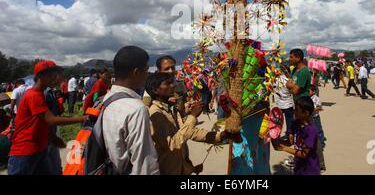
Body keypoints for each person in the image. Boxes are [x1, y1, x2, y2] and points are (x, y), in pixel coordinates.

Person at [8, 60, 87, 175]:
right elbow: (51, 119)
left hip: (39, 148)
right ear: (40, 76)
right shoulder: (34, 95)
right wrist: (82, 118)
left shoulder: (39, 93)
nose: (56, 79)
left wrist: (52, 137)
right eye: (52, 76)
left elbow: (41, 121)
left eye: (56, 75)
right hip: (25, 151)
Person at [146, 72, 232, 175]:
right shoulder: (155, 113)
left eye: (172, 82)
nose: (173, 85)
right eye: (167, 83)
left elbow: (189, 132)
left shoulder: (171, 109)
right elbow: (173, 144)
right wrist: (192, 116)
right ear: (155, 90)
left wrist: (219, 136)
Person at [101, 46, 159, 175]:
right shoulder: (136, 109)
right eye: (146, 70)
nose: (148, 74)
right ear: (136, 72)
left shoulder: (105, 100)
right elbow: (144, 163)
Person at [272, 96, 320, 175]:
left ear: (306, 113)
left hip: (310, 170)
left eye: (297, 110)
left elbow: (304, 154)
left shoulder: (311, 131)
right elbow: (290, 142)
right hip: (298, 168)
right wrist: (274, 136)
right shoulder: (296, 123)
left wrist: (284, 148)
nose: (294, 112)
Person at [44, 71, 66, 175]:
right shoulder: (45, 94)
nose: (61, 79)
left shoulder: (51, 92)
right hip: (47, 133)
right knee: (49, 161)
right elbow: (47, 119)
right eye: (59, 76)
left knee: (55, 162)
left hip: (52, 130)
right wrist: (82, 118)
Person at [309, 88, 326, 172]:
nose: (308, 92)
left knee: (319, 131)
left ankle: (322, 142)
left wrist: (312, 109)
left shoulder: (316, 98)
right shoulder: (308, 98)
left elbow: (320, 108)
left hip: (315, 117)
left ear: (314, 91)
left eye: (310, 90)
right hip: (311, 117)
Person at [273, 73, 294, 139]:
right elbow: (292, 90)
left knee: (278, 121)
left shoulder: (275, 80)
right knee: (289, 121)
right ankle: (290, 134)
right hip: (288, 104)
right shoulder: (288, 80)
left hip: (278, 104)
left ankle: (277, 135)